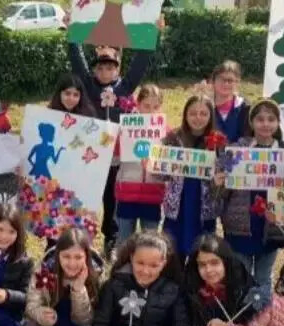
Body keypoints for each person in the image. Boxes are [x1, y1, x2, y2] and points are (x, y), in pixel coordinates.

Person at [66, 12, 157, 255]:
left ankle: (111, 238)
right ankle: (80, 238)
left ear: (117, 69)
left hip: (116, 157)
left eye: (110, 67)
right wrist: (72, 34)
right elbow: (77, 61)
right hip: (90, 154)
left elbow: (139, 63)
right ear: (96, 69)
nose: (105, 71)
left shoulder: (125, 89)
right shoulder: (87, 84)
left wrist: (151, 34)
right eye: (101, 67)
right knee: (86, 197)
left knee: (111, 199)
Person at [221, 99, 284, 301]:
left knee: (264, 278)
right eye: (260, 119)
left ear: (278, 123)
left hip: (270, 227)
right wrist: (220, 175)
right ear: (252, 122)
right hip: (240, 224)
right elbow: (222, 177)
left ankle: (262, 322)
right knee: (241, 277)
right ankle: (241, 319)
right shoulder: (237, 149)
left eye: (271, 119)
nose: (265, 124)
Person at [160, 95, 228, 258]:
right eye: (193, 113)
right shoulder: (173, 138)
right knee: (174, 249)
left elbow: (224, 178)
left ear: (211, 116)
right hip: (178, 205)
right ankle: (175, 279)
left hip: (204, 207)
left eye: (203, 113)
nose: (198, 118)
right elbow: (162, 174)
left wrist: (219, 182)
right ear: (185, 115)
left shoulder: (219, 141)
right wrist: (153, 164)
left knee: (202, 251)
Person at [115, 84, 168, 243]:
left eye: (155, 106)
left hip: (153, 192)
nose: (151, 110)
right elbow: (115, 155)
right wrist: (120, 138)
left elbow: (170, 161)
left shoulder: (165, 130)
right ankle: (123, 267)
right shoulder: (126, 126)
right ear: (137, 104)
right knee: (124, 240)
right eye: (146, 106)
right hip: (127, 191)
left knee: (150, 242)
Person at [209, 60, 250, 143]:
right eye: (222, 79)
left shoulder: (245, 107)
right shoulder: (205, 106)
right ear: (213, 81)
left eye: (230, 80)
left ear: (237, 83)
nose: (226, 84)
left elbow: (250, 137)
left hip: (239, 154)